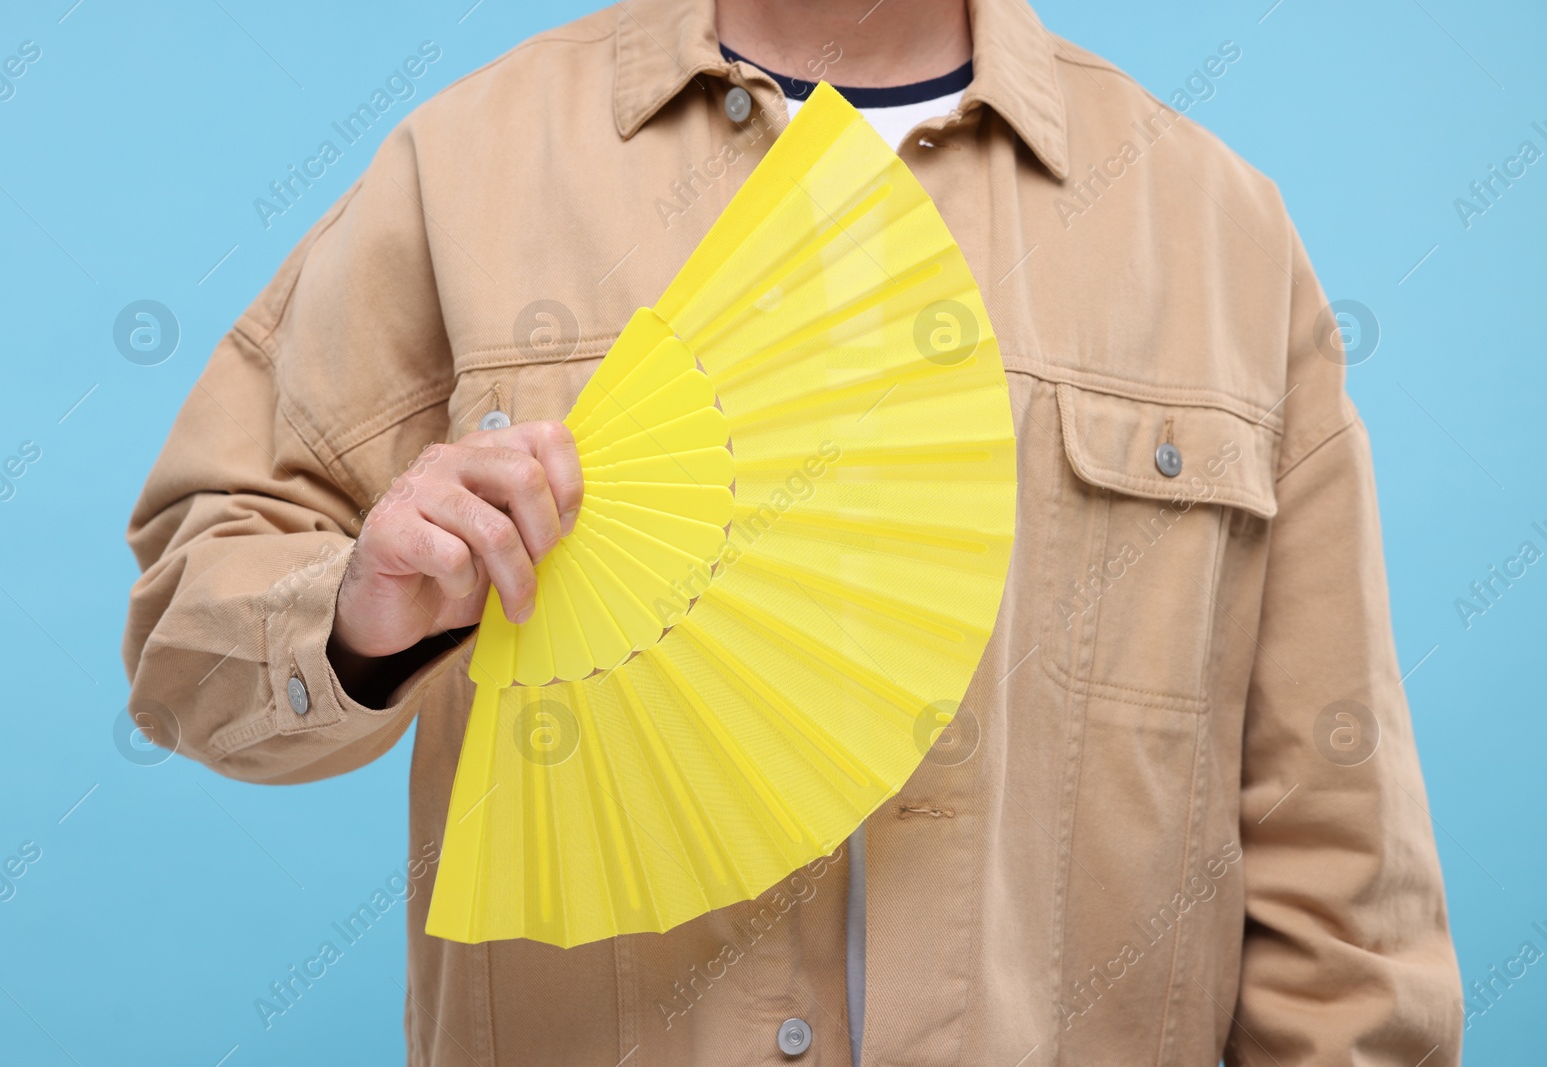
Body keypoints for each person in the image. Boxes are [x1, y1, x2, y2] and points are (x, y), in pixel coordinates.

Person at [122, 0, 1463, 1062]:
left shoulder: (1216, 227)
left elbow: (1337, 869)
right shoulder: (464, 170)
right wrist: (355, 619)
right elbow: (187, 633)